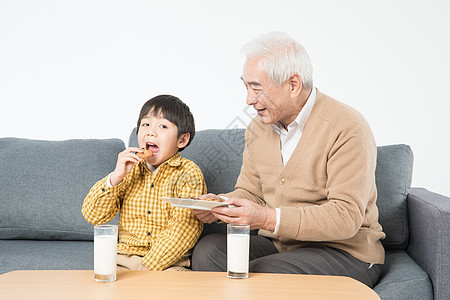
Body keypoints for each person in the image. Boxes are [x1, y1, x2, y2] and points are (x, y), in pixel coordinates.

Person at [191, 32, 386, 287]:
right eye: (246, 86)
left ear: (293, 84)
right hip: (280, 246)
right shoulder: (258, 128)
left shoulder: (346, 126)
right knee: (210, 251)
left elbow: (345, 217)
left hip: (344, 253)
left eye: (256, 88)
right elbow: (252, 192)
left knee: (264, 272)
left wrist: (266, 218)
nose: (249, 100)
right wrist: (222, 205)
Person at [82, 95, 206, 271]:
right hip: (123, 259)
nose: (151, 132)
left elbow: (185, 228)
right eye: (145, 124)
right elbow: (93, 215)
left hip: (168, 263)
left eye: (163, 126)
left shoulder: (188, 173)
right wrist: (116, 177)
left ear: (182, 140)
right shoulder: (129, 170)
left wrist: (149, 266)